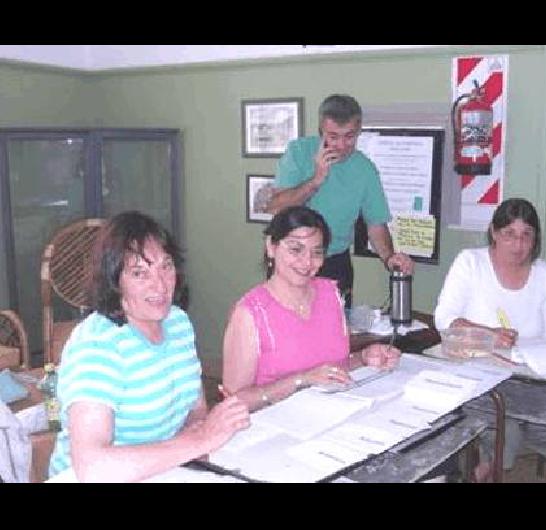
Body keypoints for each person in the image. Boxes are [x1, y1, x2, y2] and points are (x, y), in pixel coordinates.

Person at [48, 211, 250, 482]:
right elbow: (92, 468)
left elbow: (195, 410)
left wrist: (203, 434)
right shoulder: (96, 346)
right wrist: (200, 439)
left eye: (165, 267)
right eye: (139, 273)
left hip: (162, 470)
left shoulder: (177, 321)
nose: (160, 285)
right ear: (114, 280)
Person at [434, 198, 546, 481]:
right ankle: (484, 468)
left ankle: (489, 465)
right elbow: (444, 319)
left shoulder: (542, 273)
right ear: (494, 233)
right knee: (506, 435)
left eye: (526, 236)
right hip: (480, 379)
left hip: (529, 379)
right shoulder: (471, 262)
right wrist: (489, 334)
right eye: (509, 234)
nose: (518, 245)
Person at [222, 205, 400, 412]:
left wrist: (364, 358)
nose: (307, 262)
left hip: (332, 413)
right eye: (295, 249)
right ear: (271, 247)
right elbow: (234, 401)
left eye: (317, 252)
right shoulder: (250, 313)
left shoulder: (331, 294)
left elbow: (332, 367)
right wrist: (301, 380)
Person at [267, 93, 413, 308]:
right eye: (333, 137)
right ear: (321, 131)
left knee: (337, 332)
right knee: (288, 333)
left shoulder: (365, 169)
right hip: (293, 260)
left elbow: (375, 224)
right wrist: (315, 181)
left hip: (336, 260)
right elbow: (276, 207)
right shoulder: (298, 152)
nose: (342, 145)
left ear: (359, 131)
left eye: (349, 137)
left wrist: (389, 257)